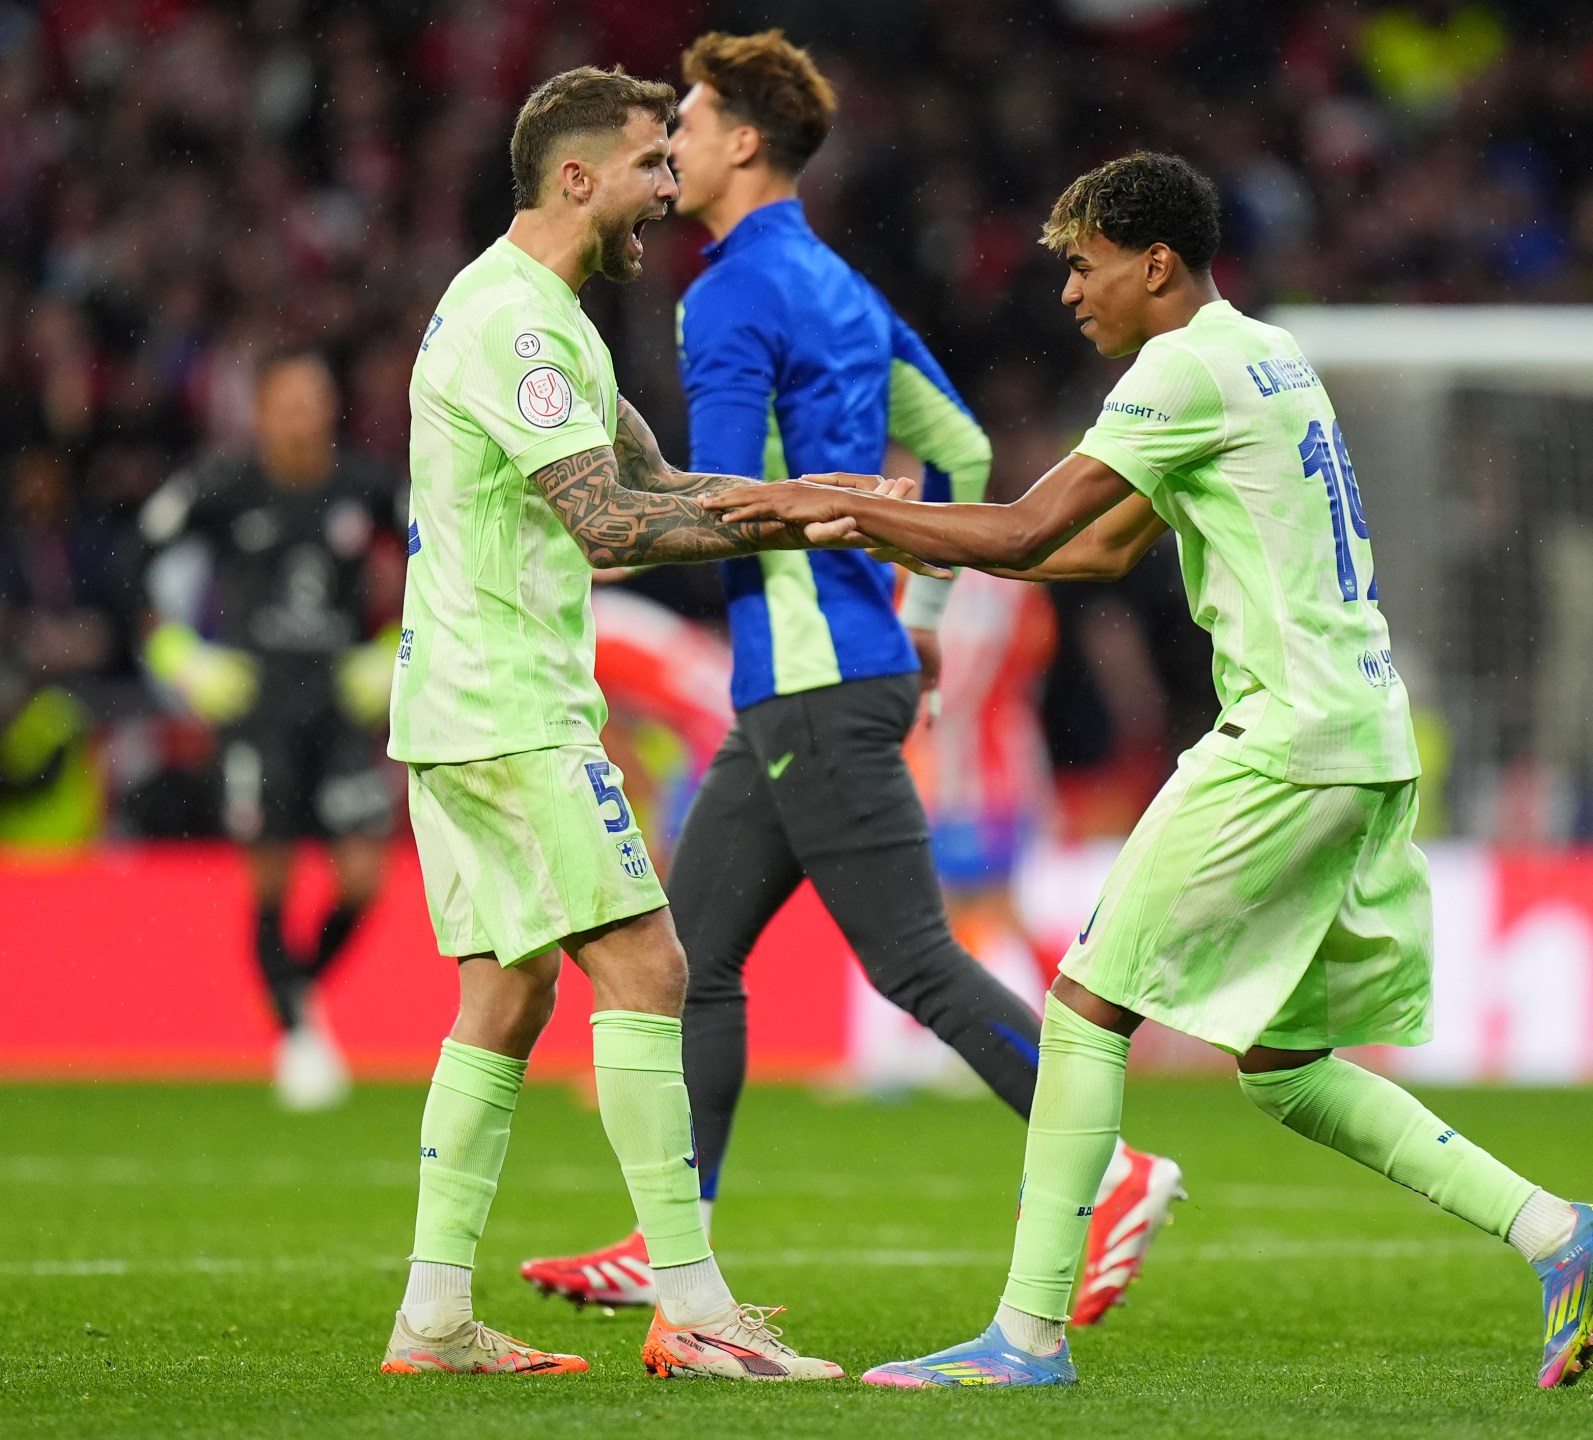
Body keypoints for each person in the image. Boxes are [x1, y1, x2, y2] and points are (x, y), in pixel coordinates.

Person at [706, 151, 1593, 1390]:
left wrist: (832, 508)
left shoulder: (1180, 368)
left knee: (1085, 1003)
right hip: (1360, 733)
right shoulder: (1267, 352)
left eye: (1085, 266)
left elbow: (1029, 527)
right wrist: (904, 529)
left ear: (1156, 264)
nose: (1068, 293)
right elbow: (1094, 555)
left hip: (1289, 738)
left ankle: (1025, 1338)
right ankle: (1559, 1233)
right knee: (1286, 1073)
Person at [518, 31, 1180, 1329]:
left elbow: (722, 501)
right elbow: (960, 446)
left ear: (743, 143)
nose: (672, 147)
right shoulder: (837, 285)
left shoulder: (727, 294)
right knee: (697, 954)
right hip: (825, 673)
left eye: (688, 125)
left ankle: (1111, 1169)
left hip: (810, 680)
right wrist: (921, 610)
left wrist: (604, 529)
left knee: (914, 961)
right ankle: (672, 1242)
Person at [380, 64, 893, 1381]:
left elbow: (656, 479)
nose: (670, 188)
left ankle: (432, 1316)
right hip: (510, 706)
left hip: (456, 701)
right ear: (577, 177)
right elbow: (609, 525)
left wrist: (816, 498)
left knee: (507, 993)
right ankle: (694, 1305)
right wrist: (805, 524)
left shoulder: (523, 307)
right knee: (653, 970)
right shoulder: (520, 329)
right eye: (652, 164)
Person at [140, 353, 402, 1110]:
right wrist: (180, 655)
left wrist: (396, 650)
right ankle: (297, 1031)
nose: (301, 415)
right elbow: (136, 557)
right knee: (272, 877)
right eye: (286, 402)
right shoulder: (221, 487)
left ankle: (293, 997)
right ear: (259, 413)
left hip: (341, 700)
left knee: (363, 878)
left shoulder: (369, 486)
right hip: (257, 704)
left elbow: (441, 558)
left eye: (314, 399)